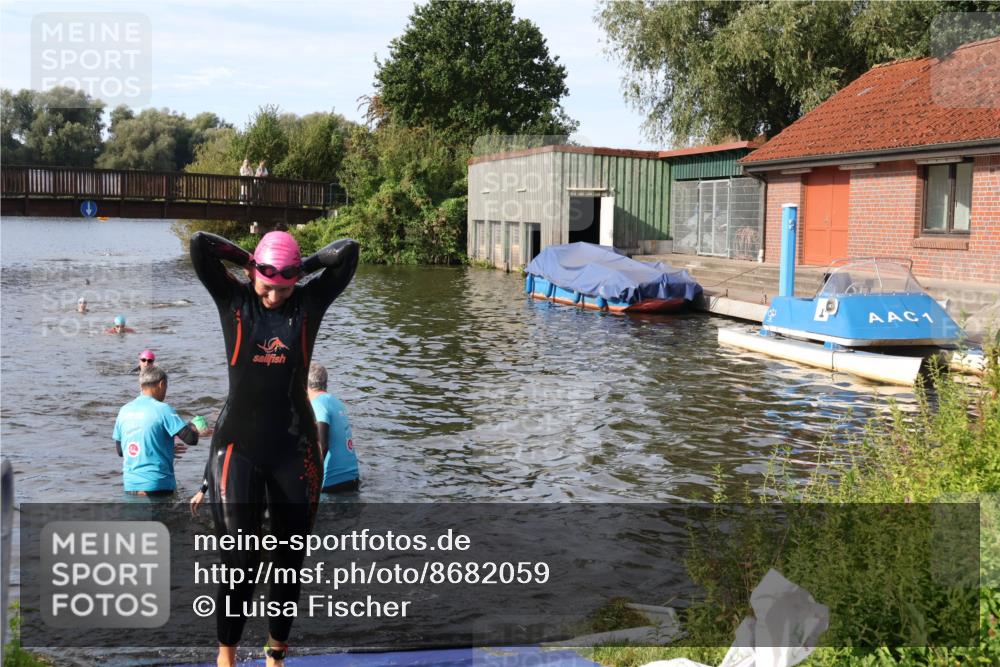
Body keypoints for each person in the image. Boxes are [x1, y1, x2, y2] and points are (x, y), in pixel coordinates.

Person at [189, 229, 358, 667]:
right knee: (240, 558)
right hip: (236, 448)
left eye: (284, 288)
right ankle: (226, 654)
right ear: (253, 275)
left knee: (288, 559)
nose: (275, 295)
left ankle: (275, 655)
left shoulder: (308, 303)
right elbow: (200, 246)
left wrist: (301, 269)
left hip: (294, 448)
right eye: (267, 285)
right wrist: (252, 259)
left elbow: (349, 253)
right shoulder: (234, 300)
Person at [113, 365, 204, 496]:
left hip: (130, 485)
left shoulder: (124, 410)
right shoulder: (163, 409)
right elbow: (191, 439)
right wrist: (194, 426)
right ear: (162, 384)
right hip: (158, 484)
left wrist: (161, 448)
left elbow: (121, 451)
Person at [307, 363, 359, 493]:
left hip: (331, 485)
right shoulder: (336, 402)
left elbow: (322, 445)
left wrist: (310, 481)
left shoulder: (318, 404)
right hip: (353, 480)